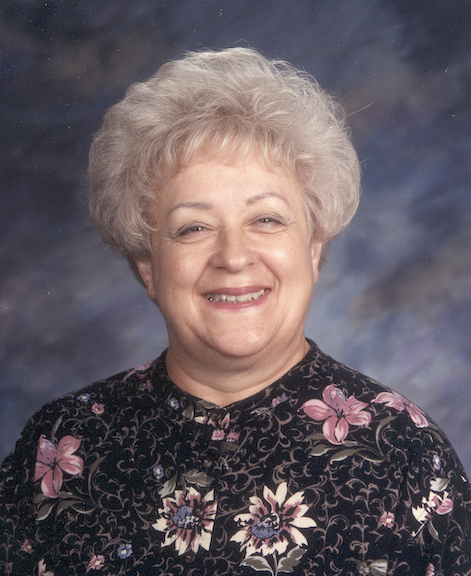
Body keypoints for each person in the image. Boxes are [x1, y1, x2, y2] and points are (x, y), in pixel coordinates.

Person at [1, 47, 470, 576]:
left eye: (267, 219)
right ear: (148, 267)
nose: (233, 256)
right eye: (193, 227)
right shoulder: (58, 446)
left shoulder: (406, 453)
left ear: (313, 248)